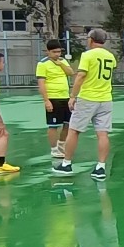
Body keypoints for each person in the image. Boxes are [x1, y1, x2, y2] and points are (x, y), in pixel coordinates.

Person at [54, 28, 116, 180]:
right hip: (106, 99)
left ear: (91, 40)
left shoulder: (88, 55)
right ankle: (101, 167)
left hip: (88, 98)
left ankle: (66, 164)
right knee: (103, 133)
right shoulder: (110, 56)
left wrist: (72, 96)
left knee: (74, 130)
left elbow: (81, 75)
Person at [37, 40, 75, 158]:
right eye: (54, 52)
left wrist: (61, 64)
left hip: (65, 97)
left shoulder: (62, 61)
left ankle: (61, 146)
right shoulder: (42, 64)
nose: (57, 54)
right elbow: (41, 83)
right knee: (53, 125)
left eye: (59, 52)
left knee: (67, 124)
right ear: (48, 51)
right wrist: (46, 100)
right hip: (53, 98)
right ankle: (53, 149)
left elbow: (71, 73)